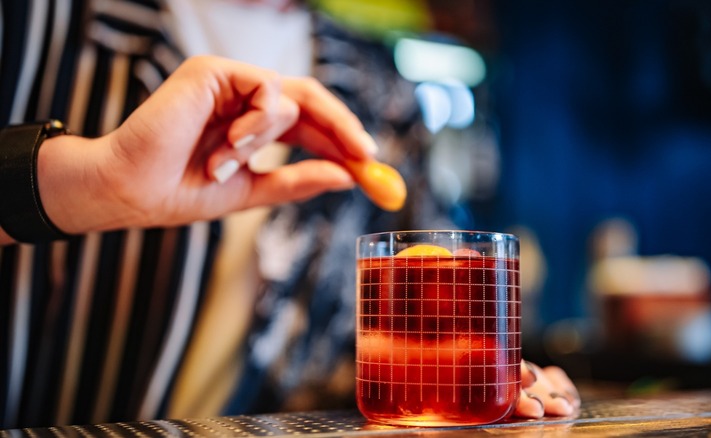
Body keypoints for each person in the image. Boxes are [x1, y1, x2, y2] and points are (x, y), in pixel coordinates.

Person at [0, 0, 579, 429]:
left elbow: (417, 326)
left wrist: (482, 380)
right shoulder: (34, 22)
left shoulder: (381, 89)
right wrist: (89, 180)